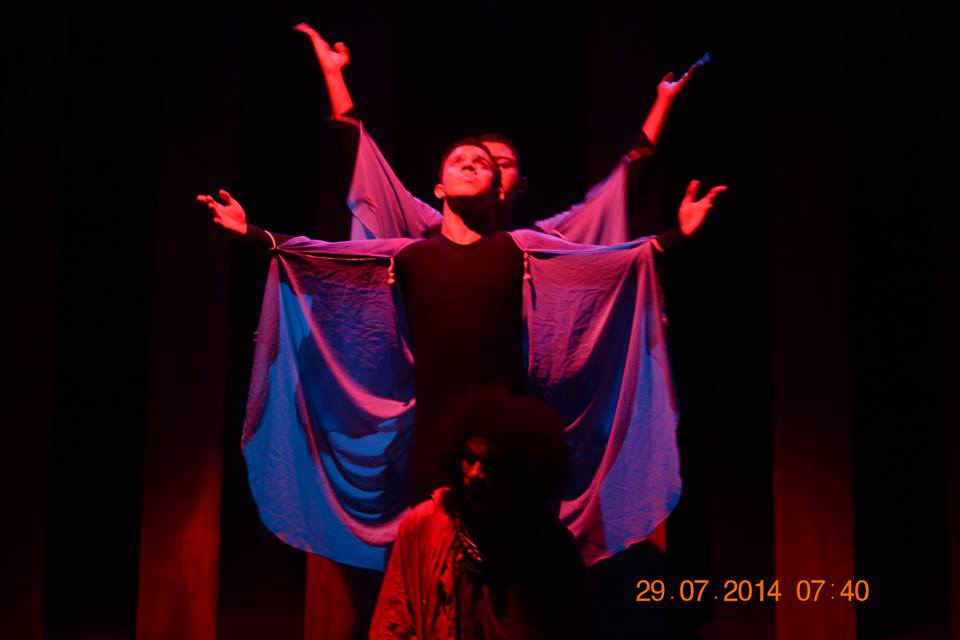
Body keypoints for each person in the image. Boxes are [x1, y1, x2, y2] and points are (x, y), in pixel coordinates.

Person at [197, 132, 725, 571]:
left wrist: (676, 234)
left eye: (482, 163)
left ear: (499, 188)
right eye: (459, 160)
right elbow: (326, 258)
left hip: (509, 439)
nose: (471, 164)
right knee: (437, 566)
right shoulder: (407, 255)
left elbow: (609, 262)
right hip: (434, 440)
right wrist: (253, 234)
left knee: (512, 572)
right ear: (438, 188)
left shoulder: (521, 249)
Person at [293, 23, 709, 244]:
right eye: (470, 160)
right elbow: (363, 165)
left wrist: (663, 102)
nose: (480, 167)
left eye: (499, 164)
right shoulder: (424, 229)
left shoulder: (543, 241)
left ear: (517, 183)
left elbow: (621, 191)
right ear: (440, 186)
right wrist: (334, 76)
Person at [369, 387, 586, 639]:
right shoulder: (425, 525)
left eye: (490, 463)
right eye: (469, 458)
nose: (474, 474)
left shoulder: (551, 546)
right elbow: (392, 623)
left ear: (519, 471)